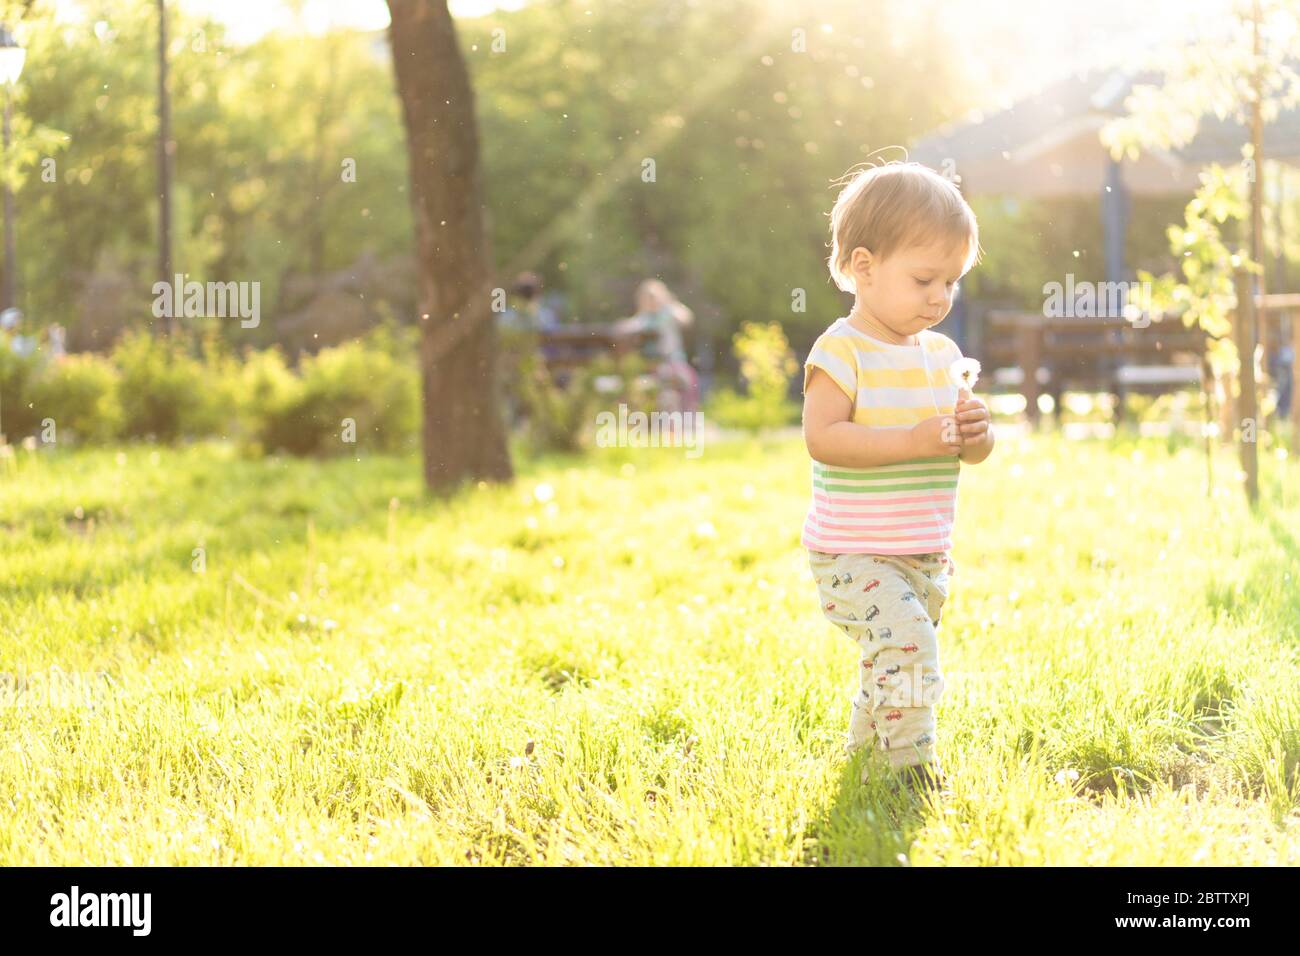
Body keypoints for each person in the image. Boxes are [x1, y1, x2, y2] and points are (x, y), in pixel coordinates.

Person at [800, 161, 993, 797]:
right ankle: (908, 768)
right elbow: (823, 438)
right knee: (909, 645)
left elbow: (970, 454)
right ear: (864, 267)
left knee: (891, 657)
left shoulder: (942, 357)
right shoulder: (842, 351)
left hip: (923, 554)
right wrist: (910, 441)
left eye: (951, 282)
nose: (940, 297)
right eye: (923, 279)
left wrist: (977, 434)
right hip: (853, 551)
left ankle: (864, 755)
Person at [613, 279, 700, 413]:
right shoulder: (644, 317)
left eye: (653, 297)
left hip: (672, 362)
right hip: (651, 365)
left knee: (685, 380)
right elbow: (629, 326)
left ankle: (685, 416)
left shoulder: (668, 312)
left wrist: (670, 304)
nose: (651, 301)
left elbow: (686, 317)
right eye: (647, 298)